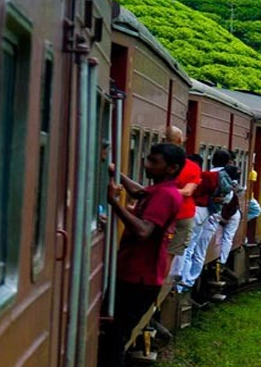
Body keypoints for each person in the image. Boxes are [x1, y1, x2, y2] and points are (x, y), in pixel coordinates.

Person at [99, 143, 185, 367]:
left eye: (154, 161)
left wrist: (114, 204)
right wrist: (115, 171)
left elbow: (143, 231)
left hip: (138, 279)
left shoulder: (166, 196)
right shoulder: (159, 190)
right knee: (112, 336)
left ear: (172, 168)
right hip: (135, 275)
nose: (146, 164)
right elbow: (138, 191)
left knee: (114, 340)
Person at [179, 149, 232, 290]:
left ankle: (183, 279)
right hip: (209, 214)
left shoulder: (207, 176)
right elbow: (227, 198)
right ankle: (189, 280)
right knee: (198, 249)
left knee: (188, 247)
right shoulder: (224, 176)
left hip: (198, 211)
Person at [166, 127, 200, 283]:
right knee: (175, 250)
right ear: (181, 141)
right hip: (183, 213)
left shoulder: (158, 160)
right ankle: (166, 279)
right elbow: (187, 192)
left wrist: (160, 192)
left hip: (160, 210)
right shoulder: (192, 167)